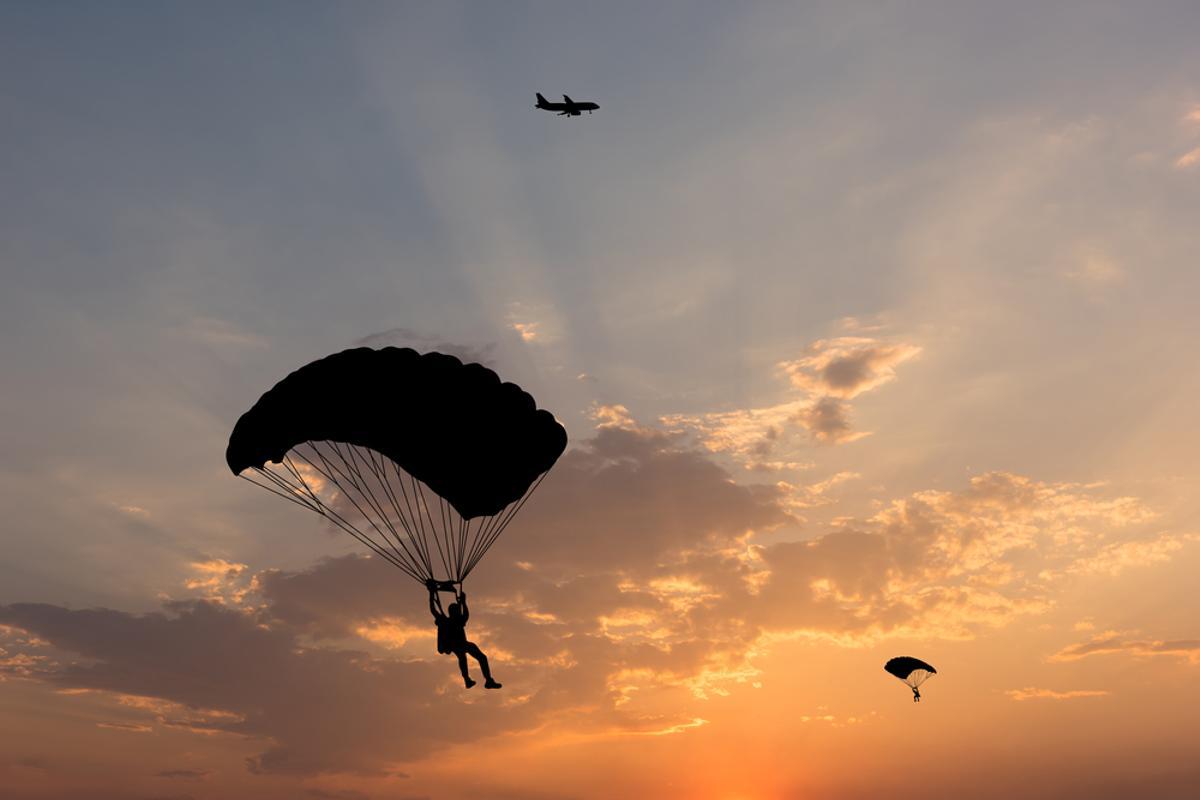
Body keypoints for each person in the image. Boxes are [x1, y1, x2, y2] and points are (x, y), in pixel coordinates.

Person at [427, 580, 501, 689]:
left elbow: (464, 615)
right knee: (467, 657)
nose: (459, 612)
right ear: (454, 612)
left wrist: (432, 593)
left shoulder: (453, 620)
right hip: (458, 644)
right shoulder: (450, 621)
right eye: (457, 610)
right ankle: (477, 680)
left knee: (473, 657)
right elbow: (434, 610)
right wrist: (463, 602)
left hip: (460, 644)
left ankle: (478, 680)